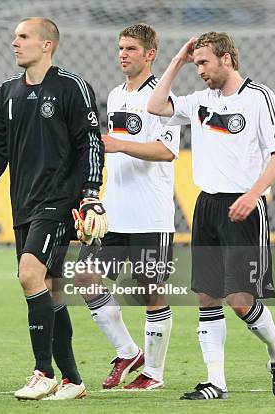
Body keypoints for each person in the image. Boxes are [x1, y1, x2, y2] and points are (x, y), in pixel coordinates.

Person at [0, 17, 107, 400]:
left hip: (59, 202)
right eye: (14, 37)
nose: (15, 43)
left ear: (47, 45)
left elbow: (91, 143)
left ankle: (43, 372)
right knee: (51, 290)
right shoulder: (5, 93)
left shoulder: (71, 87)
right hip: (23, 204)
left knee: (29, 275)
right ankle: (74, 380)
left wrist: (90, 192)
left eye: (23, 37)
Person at [147, 31, 275, 400]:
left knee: (240, 300)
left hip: (244, 208)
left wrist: (253, 194)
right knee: (208, 296)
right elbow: (155, 105)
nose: (199, 70)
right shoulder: (200, 101)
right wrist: (177, 61)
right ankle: (216, 382)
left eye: (203, 62)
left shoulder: (259, 98)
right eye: (195, 64)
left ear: (226, 59)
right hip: (207, 206)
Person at [81, 23, 180, 391]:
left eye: (131, 49)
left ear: (150, 54)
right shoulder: (114, 95)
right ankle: (127, 352)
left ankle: (154, 374)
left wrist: (120, 144)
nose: (123, 54)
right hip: (114, 211)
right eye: (120, 47)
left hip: (150, 213)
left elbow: (166, 150)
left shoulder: (162, 97)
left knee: (150, 289)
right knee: (85, 278)